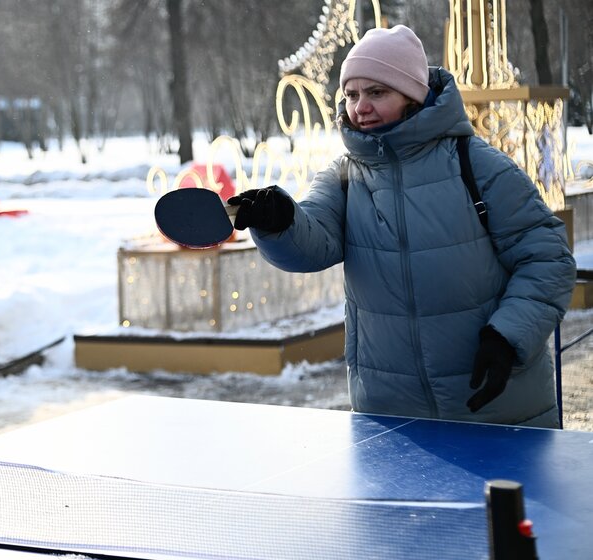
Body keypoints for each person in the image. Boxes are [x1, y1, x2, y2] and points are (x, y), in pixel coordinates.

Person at [227, 25, 576, 428]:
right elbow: (312, 242)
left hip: (495, 406)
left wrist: (507, 338)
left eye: (377, 93)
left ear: (413, 96)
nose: (360, 108)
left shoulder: (478, 165)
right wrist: (280, 221)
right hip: (392, 420)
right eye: (353, 95)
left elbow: (548, 260)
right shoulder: (345, 177)